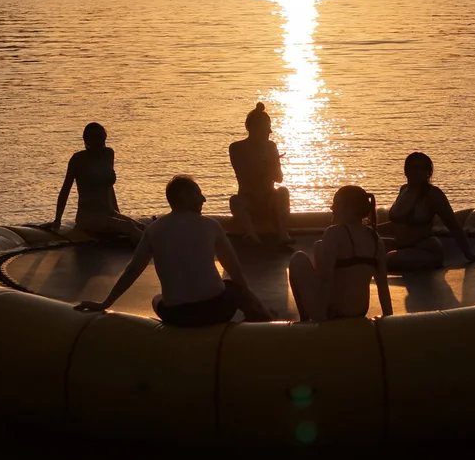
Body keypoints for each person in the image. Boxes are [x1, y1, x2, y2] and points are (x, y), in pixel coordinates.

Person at [76, 175, 273, 326]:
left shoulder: (154, 229)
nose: (203, 199)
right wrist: (256, 305)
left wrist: (105, 303)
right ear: (185, 197)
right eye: (198, 193)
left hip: (177, 316)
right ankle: (260, 318)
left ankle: (258, 313)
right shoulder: (211, 226)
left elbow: (132, 270)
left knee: (157, 299)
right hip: (216, 311)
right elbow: (236, 272)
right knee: (232, 286)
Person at [288, 185, 394, 322]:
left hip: (332, 312)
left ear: (350, 210)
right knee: (319, 246)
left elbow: (326, 280)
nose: (332, 208)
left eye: (336, 203)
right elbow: (383, 287)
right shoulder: (375, 238)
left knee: (298, 259)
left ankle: (305, 321)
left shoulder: (334, 233)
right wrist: (389, 320)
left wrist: (322, 320)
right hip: (359, 311)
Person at [378, 152, 475, 270]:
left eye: (424, 169)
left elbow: (453, 225)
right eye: (415, 168)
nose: (419, 172)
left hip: (425, 250)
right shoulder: (404, 190)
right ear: (406, 171)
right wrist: (370, 229)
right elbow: (398, 224)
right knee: (362, 248)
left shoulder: (433, 194)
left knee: (387, 260)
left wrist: (470, 255)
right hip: (402, 247)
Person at [50, 122, 143, 242]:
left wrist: (117, 212)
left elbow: (109, 186)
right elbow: (65, 189)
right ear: (87, 141)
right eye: (95, 139)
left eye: (102, 138)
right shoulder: (78, 160)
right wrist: (57, 220)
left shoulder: (108, 154)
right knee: (128, 226)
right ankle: (156, 251)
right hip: (88, 217)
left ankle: (167, 251)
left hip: (109, 212)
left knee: (142, 226)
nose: (100, 142)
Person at [228, 102, 293, 244]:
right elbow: (244, 176)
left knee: (283, 192)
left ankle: (283, 234)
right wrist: (263, 166)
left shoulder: (271, 146)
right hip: (248, 200)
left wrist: (273, 163)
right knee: (235, 201)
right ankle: (252, 236)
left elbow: (279, 178)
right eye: (265, 130)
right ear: (252, 128)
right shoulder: (236, 148)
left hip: (269, 200)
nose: (268, 134)